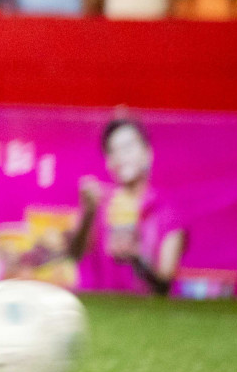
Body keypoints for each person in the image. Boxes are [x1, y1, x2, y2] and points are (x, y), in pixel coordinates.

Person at [68, 118, 186, 296]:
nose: (121, 156)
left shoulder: (166, 211)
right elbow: (74, 255)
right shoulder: (98, 203)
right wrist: (88, 214)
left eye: (128, 147)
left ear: (147, 154)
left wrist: (137, 257)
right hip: (104, 312)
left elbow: (164, 283)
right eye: (113, 151)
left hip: (150, 317)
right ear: (108, 162)